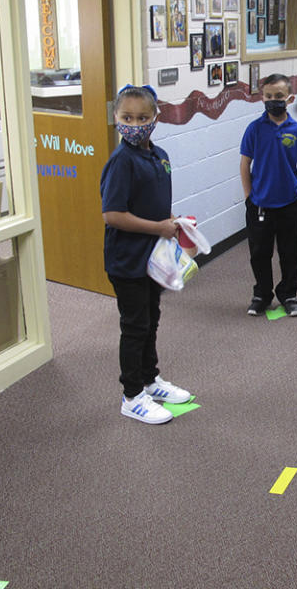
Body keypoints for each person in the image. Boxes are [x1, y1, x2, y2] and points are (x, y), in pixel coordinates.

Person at [101, 84, 192, 425]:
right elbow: (113, 215)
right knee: (135, 326)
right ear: (116, 118)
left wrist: (169, 222)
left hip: (153, 259)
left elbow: (153, 205)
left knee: (151, 320)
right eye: (127, 117)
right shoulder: (121, 162)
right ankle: (132, 395)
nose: (135, 124)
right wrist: (158, 228)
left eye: (142, 117)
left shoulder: (160, 156)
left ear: (156, 118)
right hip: (127, 261)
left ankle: (151, 380)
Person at [240, 74, 297, 317]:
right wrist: (250, 197)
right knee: (259, 253)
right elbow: (244, 165)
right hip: (259, 204)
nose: (273, 101)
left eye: (279, 97)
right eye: (268, 96)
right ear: (262, 98)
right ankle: (262, 294)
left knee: (290, 253)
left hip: (290, 203)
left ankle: (289, 294)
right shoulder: (255, 129)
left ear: (289, 99)